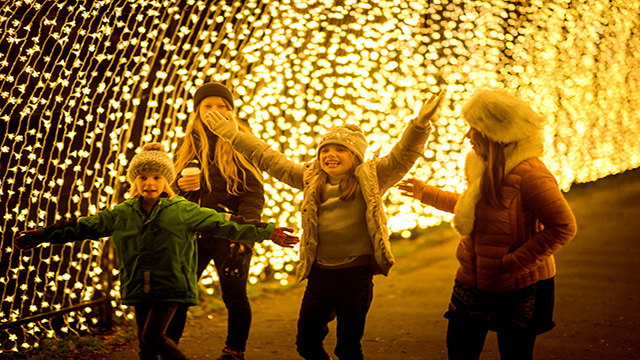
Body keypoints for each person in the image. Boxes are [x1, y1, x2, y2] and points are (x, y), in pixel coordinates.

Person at [202, 91, 446, 360]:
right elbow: (267, 157)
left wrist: (419, 126)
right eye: (325, 150)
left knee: (348, 347)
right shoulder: (310, 178)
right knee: (306, 343)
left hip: (356, 277)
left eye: (341, 149)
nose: (331, 155)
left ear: (355, 156)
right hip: (320, 275)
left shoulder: (372, 178)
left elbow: (403, 156)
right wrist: (234, 135)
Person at [13, 143, 299, 360]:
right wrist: (41, 235)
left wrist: (266, 231)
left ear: (167, 182)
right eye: (143, 177)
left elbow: (226, 224)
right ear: (134, 181)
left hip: (171, 286)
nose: (150, 183)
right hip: (139, 287)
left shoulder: (183, 210)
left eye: (157, 178)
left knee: (153, 337)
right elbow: (83, 226)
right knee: (146, 347)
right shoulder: (122, 213)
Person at [398, 89, 577, 360]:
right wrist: (427, 193)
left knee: (515, 354)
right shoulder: (483, 165)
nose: (467, 136)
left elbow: (563, 227)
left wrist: (513, 263)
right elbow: (475, 206)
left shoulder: (532, 175)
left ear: (494, 133)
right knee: (460, 350)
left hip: (521, 285)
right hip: (472, 279)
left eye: (473, 128)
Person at [167, 82, 265, 360]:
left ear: (231, 112)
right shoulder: (184, 146)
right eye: (208, 105)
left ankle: (234, 350)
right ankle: (167, 349)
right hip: (191, 234)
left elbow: (253, 194)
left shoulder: (243, 143)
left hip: (230, 233)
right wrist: (181, 184)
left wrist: (244, 232)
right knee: (178, 295)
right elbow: (168, 193)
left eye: (222, 106)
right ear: (197, 111)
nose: (215, 111)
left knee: (234, 295)